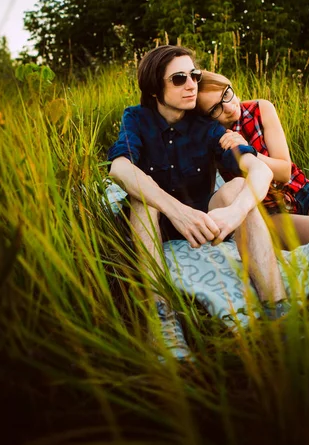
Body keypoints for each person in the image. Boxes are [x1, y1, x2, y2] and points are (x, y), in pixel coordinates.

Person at [107, 45, 289, 360]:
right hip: (158, 222)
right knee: (142, 199)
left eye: (193, 75)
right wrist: (175, 211)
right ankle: (160, 316)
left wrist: (236, 211)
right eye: (179, 78)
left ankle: (279, 312)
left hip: (207, 219)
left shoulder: (206, 128)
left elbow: (258, 170)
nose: (191, 84)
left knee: (237, 186)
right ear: (154, 88)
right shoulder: (136, 118)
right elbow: (119, 167)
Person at [196, 70, 309, 249]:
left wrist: (248, 151)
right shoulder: (215, 139)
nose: (228, 106)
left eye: (226, 94)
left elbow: (284, 171)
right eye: (215, 108)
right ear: (206, 118)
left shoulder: (260, 108)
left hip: (302, 191)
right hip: (270, 213)